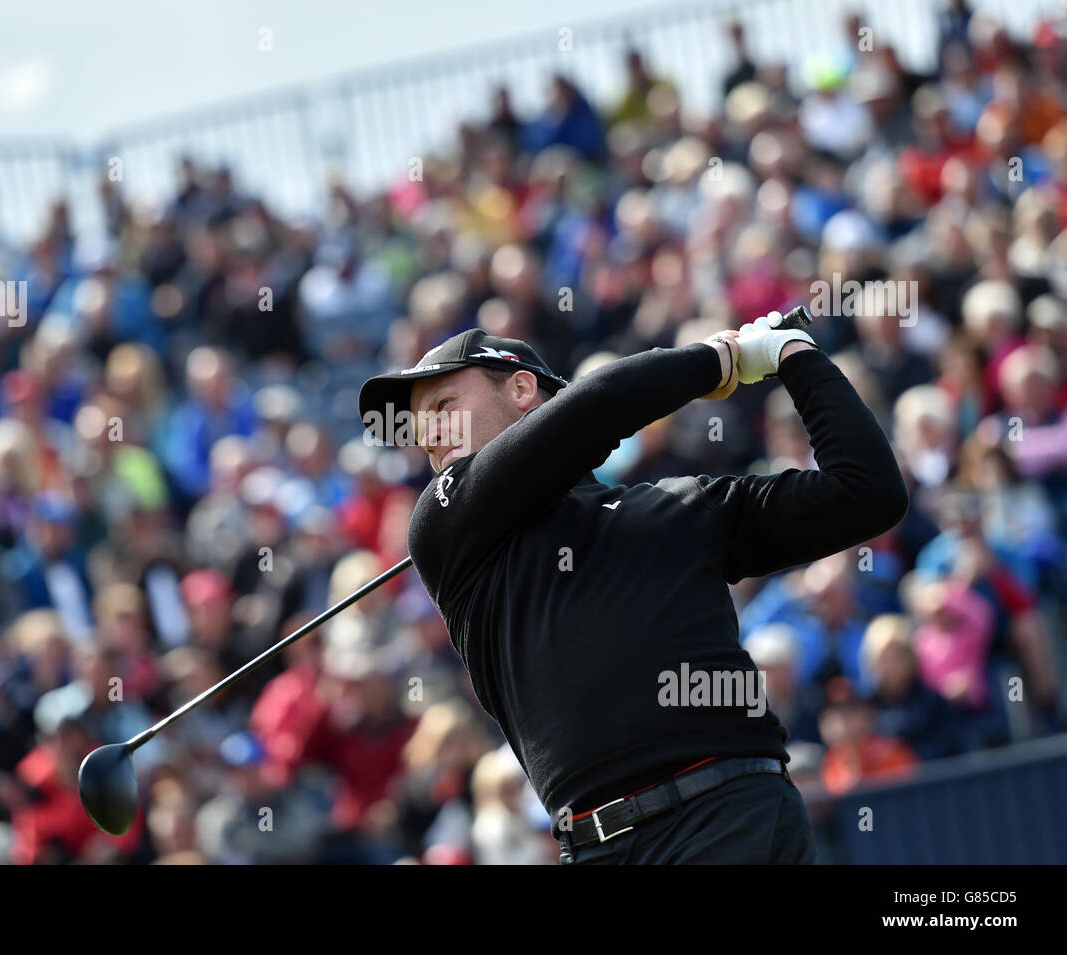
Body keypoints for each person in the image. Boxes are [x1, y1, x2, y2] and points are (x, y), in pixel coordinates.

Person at [357, 311, 909, 864]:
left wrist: (796, 356)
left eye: (444, 408)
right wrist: (721, 360)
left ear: (523, 388)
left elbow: (867, 491)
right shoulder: (443, 526)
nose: (427, 436)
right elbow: (599, 405)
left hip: (730, 817)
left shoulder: (682, 505)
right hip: (594, 847)